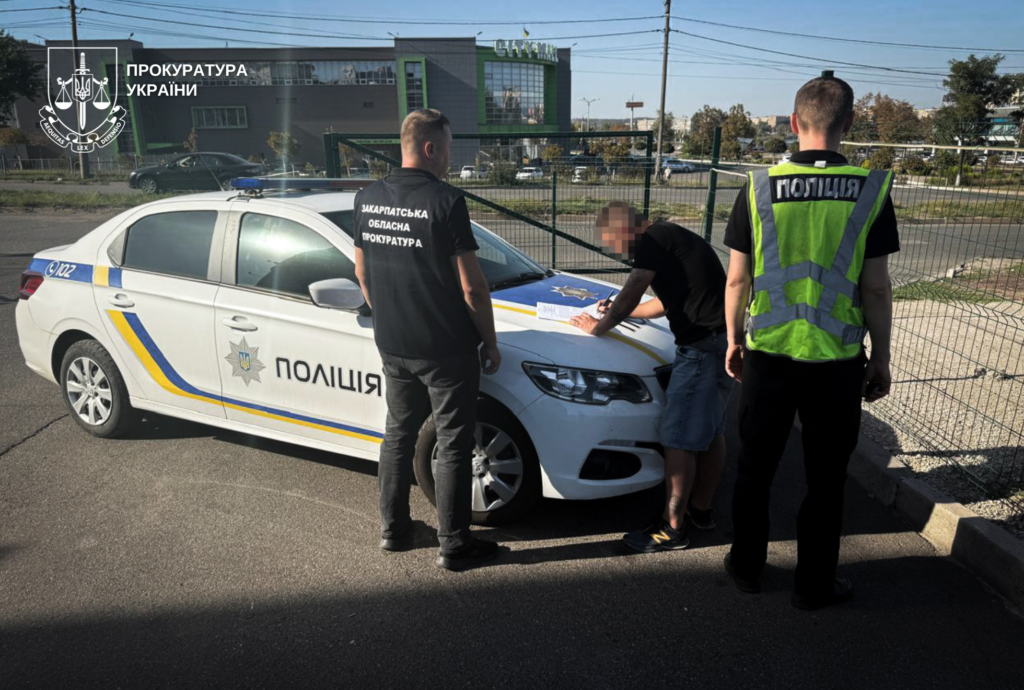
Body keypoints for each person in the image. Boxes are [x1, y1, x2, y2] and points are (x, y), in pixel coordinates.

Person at [721, 76, 899, 609]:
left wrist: (734, 339)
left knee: (755, 468)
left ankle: (747, 567)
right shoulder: (870, 190)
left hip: (769, 356)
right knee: (826, 480)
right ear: (849, 123)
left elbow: (737, 280)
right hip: (836, 361)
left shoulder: (758, 187)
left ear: (795, 123)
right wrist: (882, 357)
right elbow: (875, 287)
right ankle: (814, 585)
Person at [353, 109, 502, 572]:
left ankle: (395, 531)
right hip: (445, 347)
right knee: (454, 443)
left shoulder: (366, 198)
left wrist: (388, 315)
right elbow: (473, 288)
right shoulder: (446, 201)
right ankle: (454, 544)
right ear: (431, 148)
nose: (450, 160)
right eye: (449, 149)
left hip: (392, 342)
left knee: (397, 434)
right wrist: (490, 341)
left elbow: (361, 272)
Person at [570, 202, 732, 552]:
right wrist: (623, 312)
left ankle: (671, 529)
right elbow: (662, 303)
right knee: (711, 432)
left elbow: (633, 287)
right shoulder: (673, 238)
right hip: (720, 342)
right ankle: (701, 510)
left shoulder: (654, 238)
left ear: (625, 228)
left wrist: (599, 326)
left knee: (678, 439)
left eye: (612, 241)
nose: (616, 250)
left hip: (700, 349)